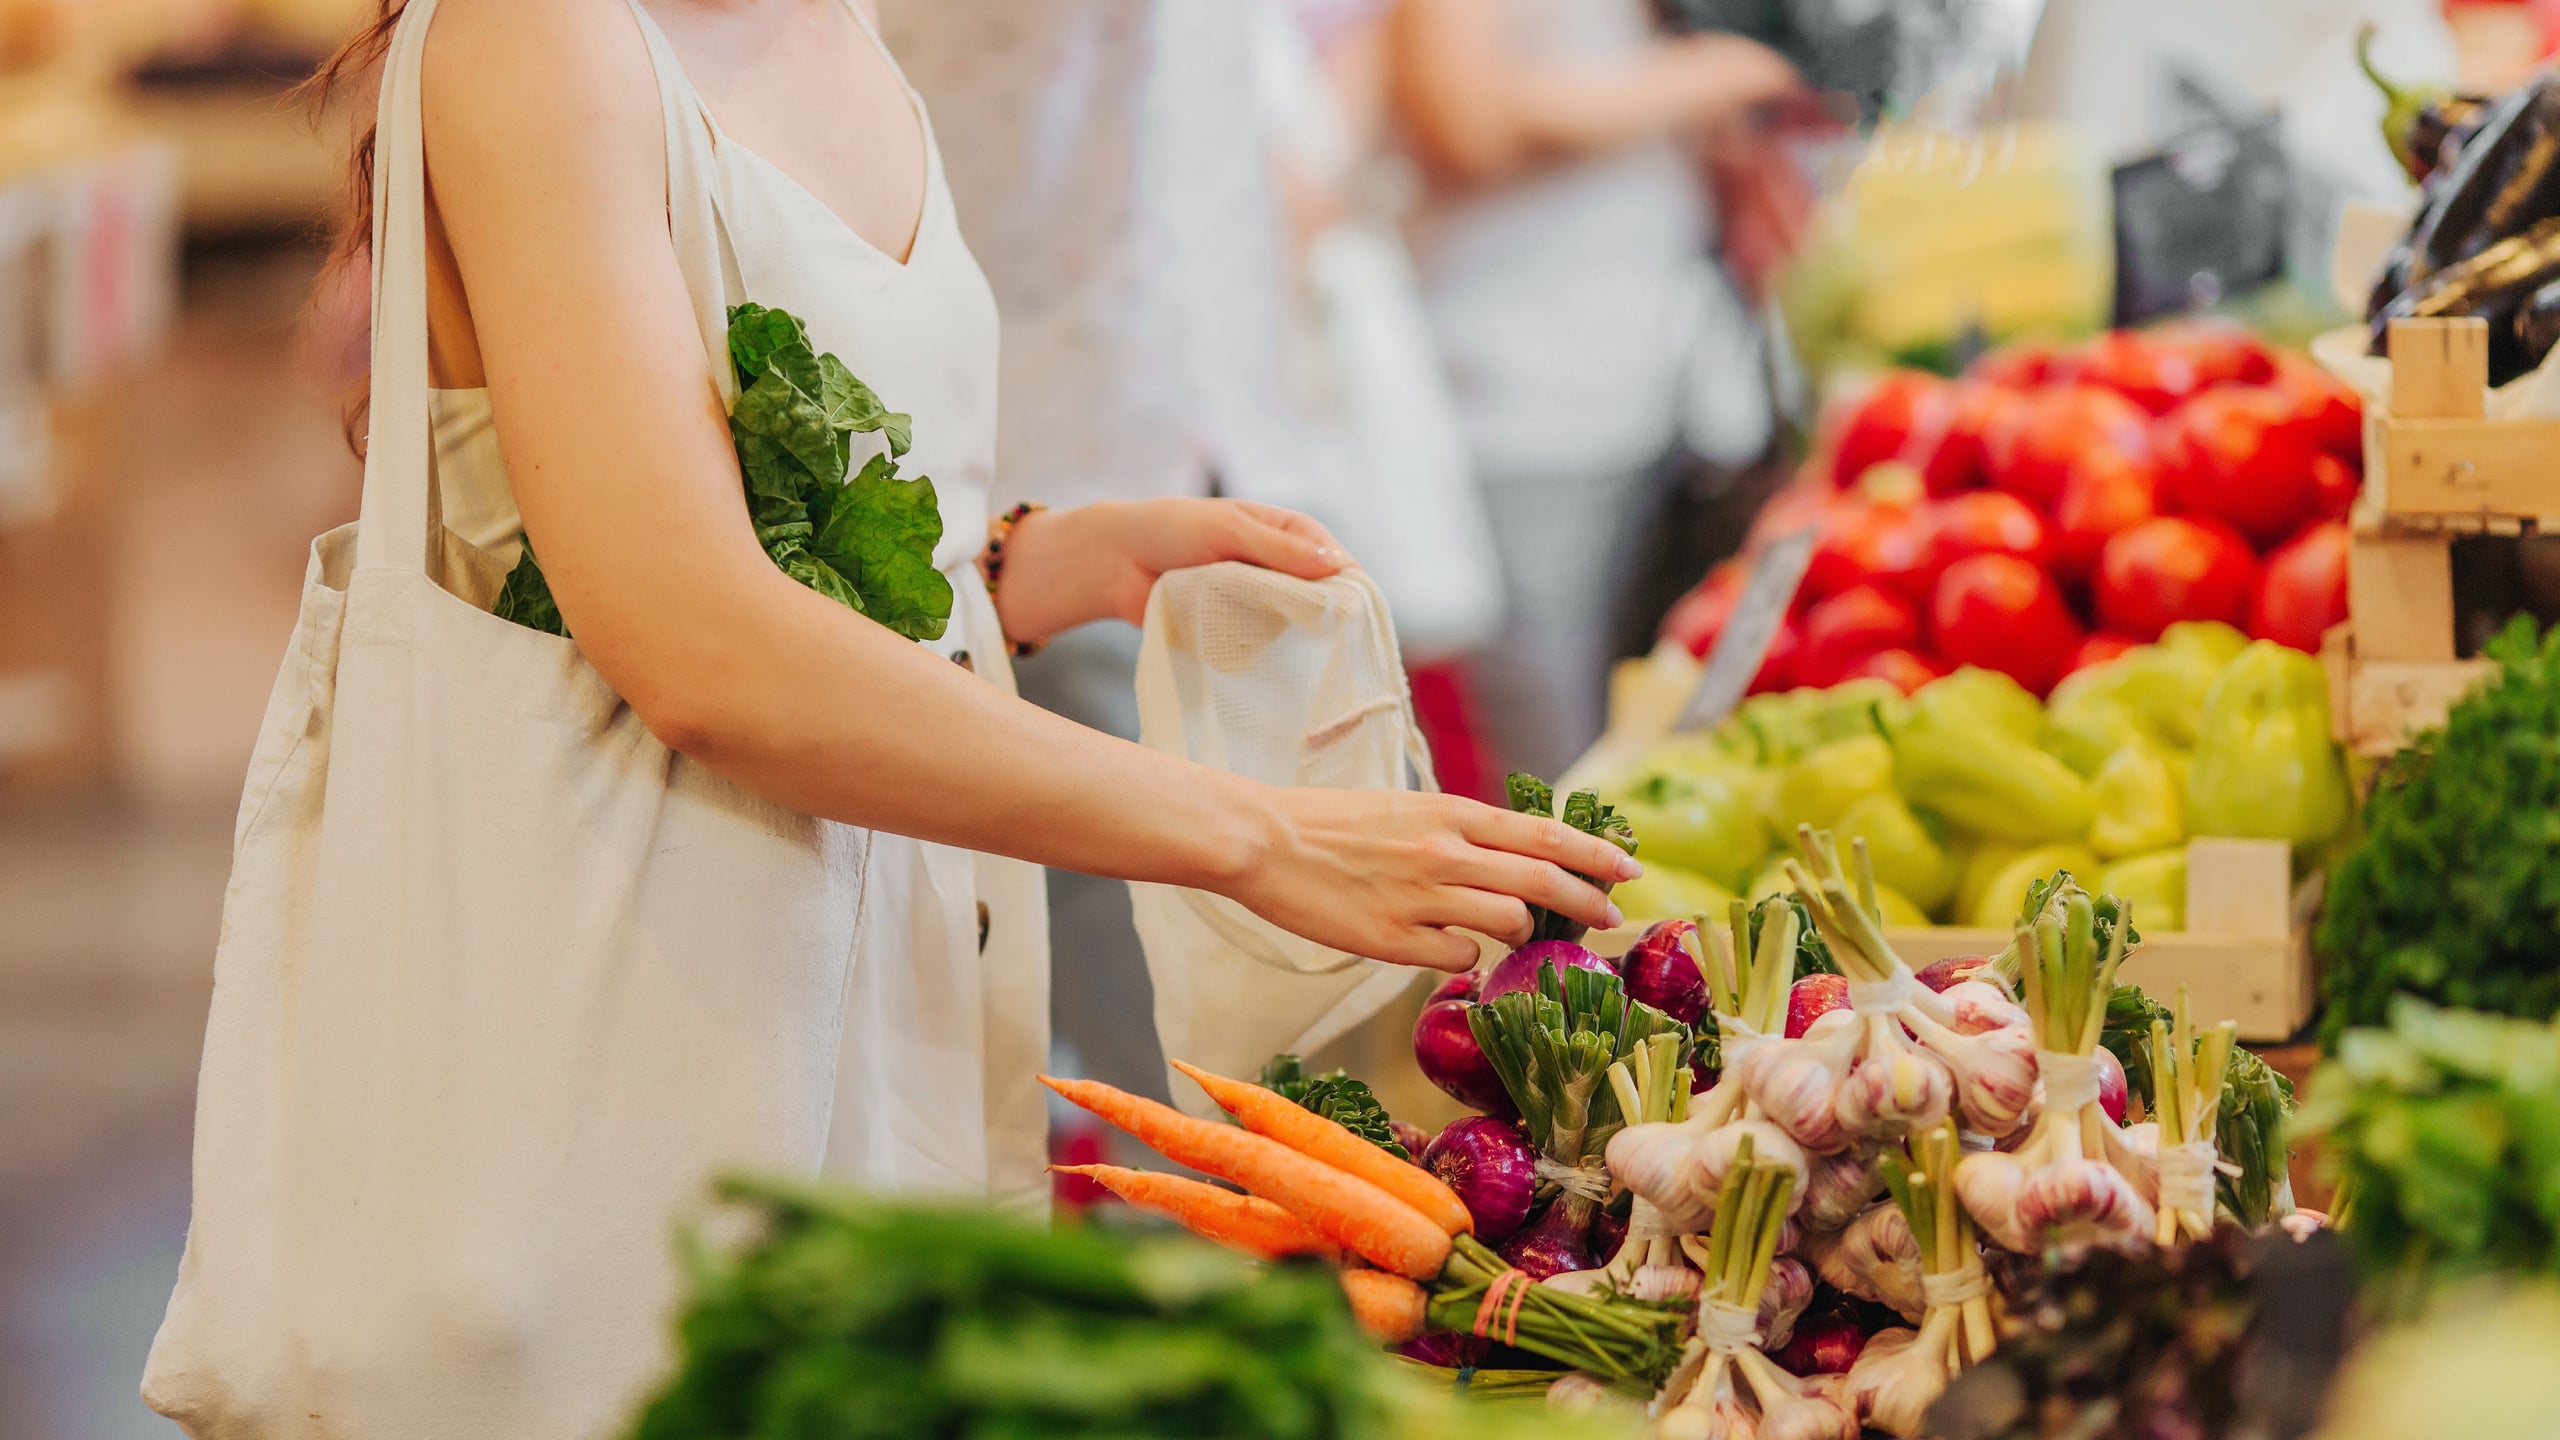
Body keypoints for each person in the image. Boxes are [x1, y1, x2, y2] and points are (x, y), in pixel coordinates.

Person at [141, 1, 1638, 1434]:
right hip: (615, 1046)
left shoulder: (833, 22)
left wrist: (1025, 564)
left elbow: (735, 506)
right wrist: (1250, 835)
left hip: (858, 996)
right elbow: (695, 649)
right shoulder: (542, 38)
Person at [879, 1, 1318, 1103]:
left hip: (1168, 420)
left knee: (1206, 977)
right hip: (1035, 445)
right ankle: (1188, 1252)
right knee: (1152, 1004)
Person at [1388, 0, 1807, 779]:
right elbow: (1461, 119)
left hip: (1637, 399)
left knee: (1635, 733)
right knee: (1558, 757)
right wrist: (1700, 78)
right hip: (1524, 403)